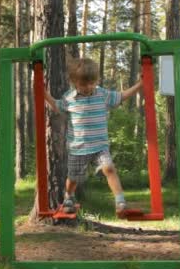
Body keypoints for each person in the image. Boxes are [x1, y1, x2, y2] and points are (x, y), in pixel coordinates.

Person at [44, 58, 142, 218]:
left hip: (99, 146)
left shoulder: (102, 94)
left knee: (109, 168)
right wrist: (43, 93)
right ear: (74, 82)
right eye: (84, 84)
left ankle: (120, 202)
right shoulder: (69, 98)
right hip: (78, 148)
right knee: (74, 177)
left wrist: (139, 85)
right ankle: (68, 197)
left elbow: (121, 96)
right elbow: (56, 105)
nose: (89, 87)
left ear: (96, 80)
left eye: (92, 83)